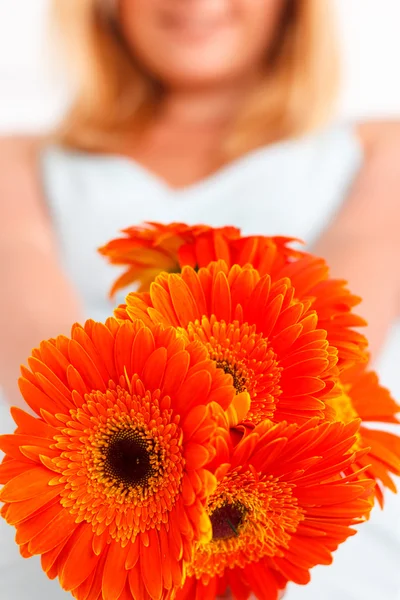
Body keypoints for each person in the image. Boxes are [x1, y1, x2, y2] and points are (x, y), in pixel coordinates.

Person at [0, 1, 399, 599]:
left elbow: (329, 339)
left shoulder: (381, 145)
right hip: (86, 541)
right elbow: (38, 356)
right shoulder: (17, 156)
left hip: (291, 547)